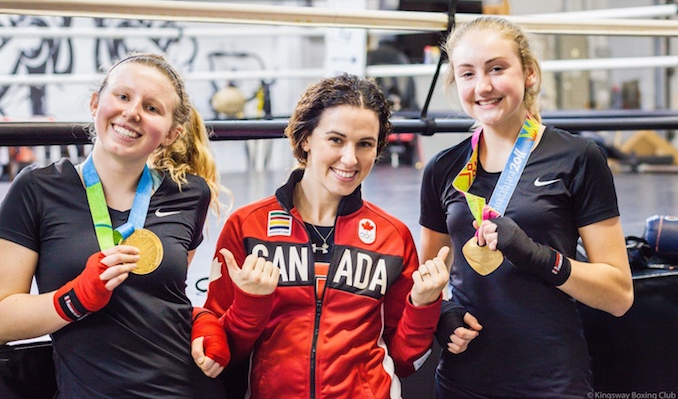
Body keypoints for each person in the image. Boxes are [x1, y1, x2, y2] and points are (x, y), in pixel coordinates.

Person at [419, 16, 634, 398]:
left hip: (550, 381)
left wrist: (537, 256)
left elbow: (618, 296)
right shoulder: (443, 169)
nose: (482, 86)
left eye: (497, 69)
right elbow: (426, 277)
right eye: (467, 74)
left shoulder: (577, 157)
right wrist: (440, 314)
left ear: (529, 73)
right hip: (463, 381)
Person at [203, 73, 449, 398]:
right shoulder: (247, 227)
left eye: (365, 144)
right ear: (305, 138)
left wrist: (423, 303)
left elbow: (405, 360)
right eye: (336, 140)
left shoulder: (393, 236)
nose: (350, 159)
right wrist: (251, 301)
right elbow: (222, 353)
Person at [0, 52, 231, 398]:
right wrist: (74, 298)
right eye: (122, 96)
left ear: (171, 133)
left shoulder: (189, 193)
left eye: (152, 108)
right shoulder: (37, 189)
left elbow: (164, 298)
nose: (132, 112)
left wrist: (202, 319)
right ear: (95, 104)